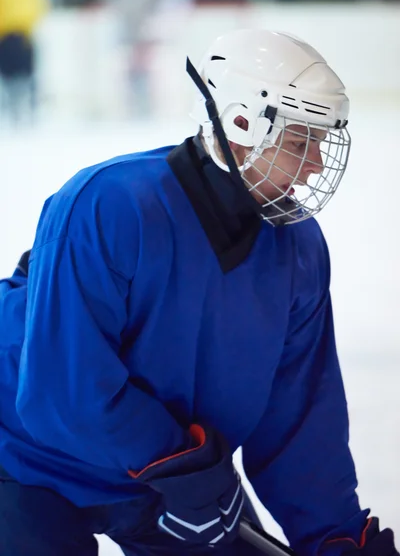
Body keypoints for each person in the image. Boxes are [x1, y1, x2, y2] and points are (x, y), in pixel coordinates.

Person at [0, 28, 397, 556]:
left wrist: (337, 537)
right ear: (240, 124)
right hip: (22, 455)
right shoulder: (111, 204)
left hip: (165, 476)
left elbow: (300, 417)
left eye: (320, 144)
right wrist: (183, 470)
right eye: (302, 144)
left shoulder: (297, 248)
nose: (317, 166)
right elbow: (63, 390)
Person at [0, 0, 49, 125]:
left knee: (28, 74)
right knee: (8, 75)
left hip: (26, 36)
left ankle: (29, 111)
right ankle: (11, 110)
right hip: (5, 36)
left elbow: (38, 8)